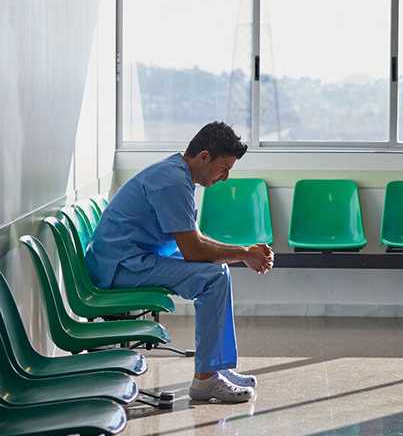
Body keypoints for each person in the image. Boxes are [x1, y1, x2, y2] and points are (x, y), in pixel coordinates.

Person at [85, 122, 274, 403]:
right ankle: (206, 379)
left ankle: (215, 366)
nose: (225, 178)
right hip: (119, 266)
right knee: (214, 277)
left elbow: (192, 240)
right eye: (224, 168)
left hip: (132, 256)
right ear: (204, 156)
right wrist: (245, 253)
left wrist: (243, 253)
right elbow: (193, 249)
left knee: (216, 272)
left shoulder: (178, 174)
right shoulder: (172, 181)